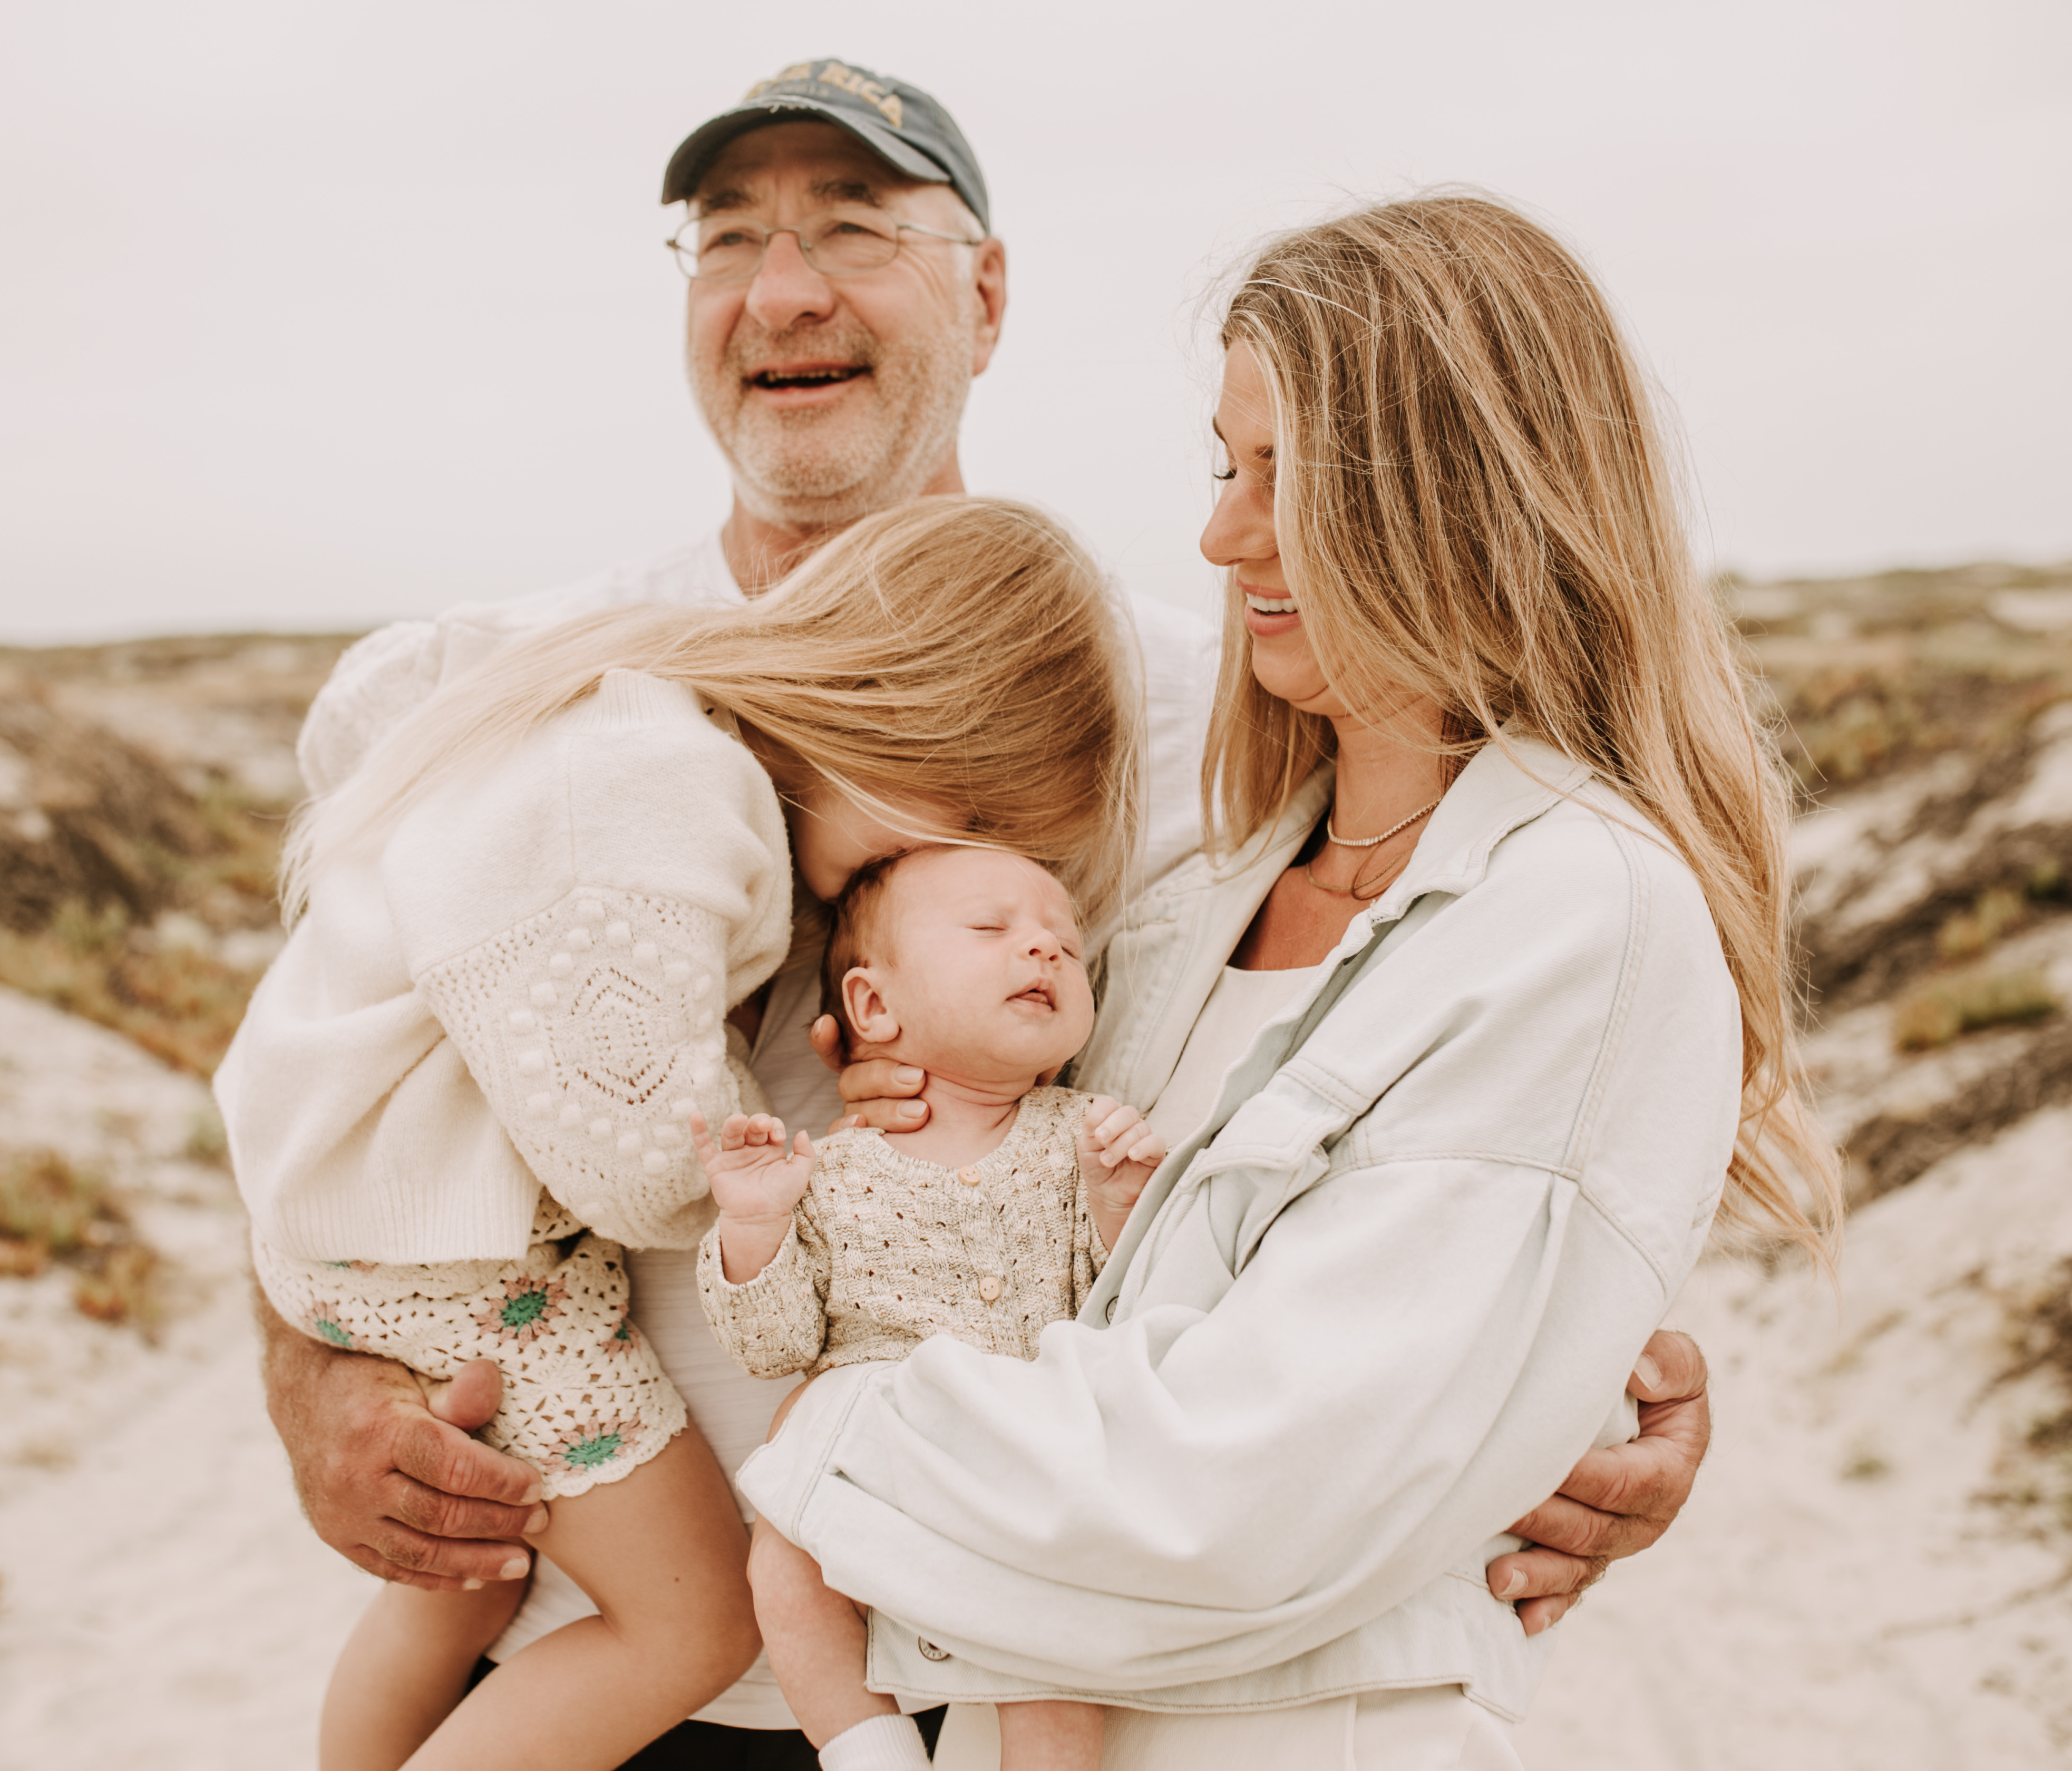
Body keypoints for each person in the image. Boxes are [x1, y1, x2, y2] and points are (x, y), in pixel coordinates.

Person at [258, 59, 1718, 1765]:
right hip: (615, 1662)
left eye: (856, 227)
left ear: (989, 289)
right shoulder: (563, 690)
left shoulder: (1201, 717)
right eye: (729, 238)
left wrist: (1584, 1363)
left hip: (973, 1670)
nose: (783, 289)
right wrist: (307, 1380)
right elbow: (335, 1088)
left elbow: (1385, 1088)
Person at [741, 192, 1844, 1770]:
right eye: (1223, 466)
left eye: (1291, 480)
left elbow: (1234, 1506)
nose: (1219, 535)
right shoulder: (1194, 897)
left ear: (1469, 504)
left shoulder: (1578, 915)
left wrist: (827, 1444)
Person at [218, 497, 1141, 1769]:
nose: (940, 870)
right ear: (897, 705)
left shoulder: (638, 729)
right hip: (464, 1275)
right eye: (971, 824)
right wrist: (822, 1165)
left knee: (473, 1575)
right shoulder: (651, 790)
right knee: (696, 1617)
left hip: (382, 1229)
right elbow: (642, 1163)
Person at [692, 845, 1170, 1771]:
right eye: (993, 930)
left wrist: (1121, 1211)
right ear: (873, 1006)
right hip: (875, 1442)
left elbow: (1132, 1313)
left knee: (1056, 1633)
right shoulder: (830, 1166)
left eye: (1066, 948)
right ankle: (868, 1751)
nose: (1043, 952)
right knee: (785, 1560)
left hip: (1028, 1457)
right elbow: (775, 1343)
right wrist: (756, 1227)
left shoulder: (1087, 1135)